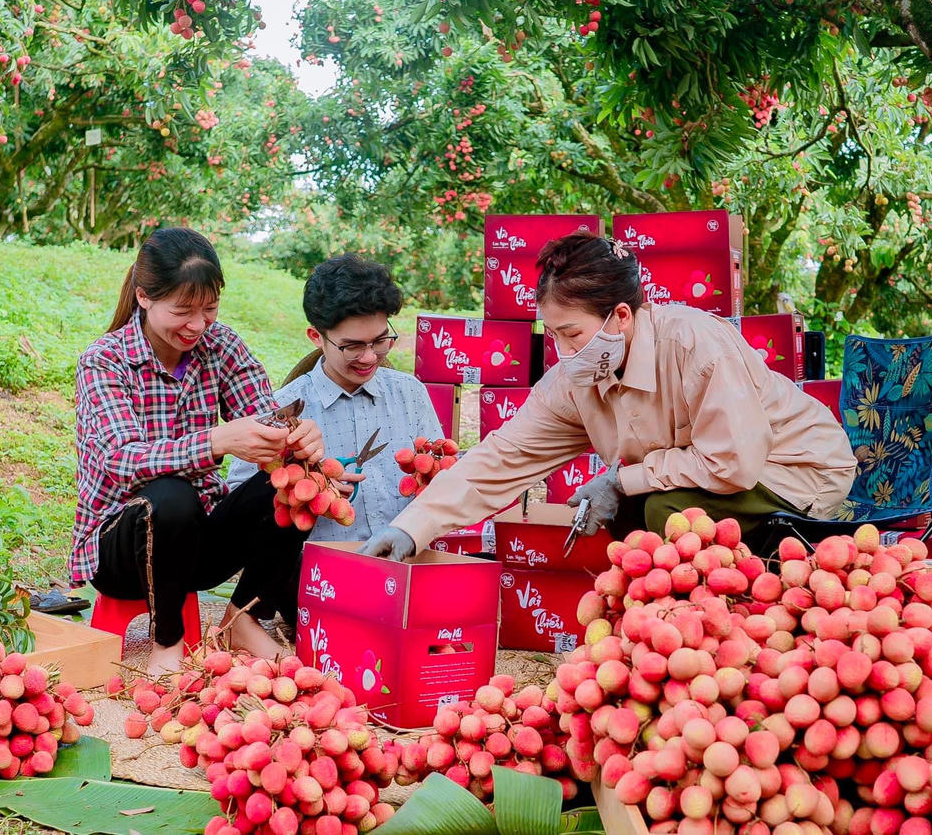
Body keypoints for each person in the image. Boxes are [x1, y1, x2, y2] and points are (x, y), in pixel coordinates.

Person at [361, 231, 857, 560]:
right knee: (636, 514)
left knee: (667, 514)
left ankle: (705, 631)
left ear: (621, 316)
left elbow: (734, 463)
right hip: (713, 478)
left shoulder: (693, 342)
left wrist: (624, 479)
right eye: (552, 335)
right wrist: (412, 527)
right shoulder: (574, 380)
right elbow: (501, 458)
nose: (561, 351)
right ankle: (657, 633)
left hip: (792, 470)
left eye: (572, 334)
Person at [72, 227, 324, 675]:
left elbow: (267, 417)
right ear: (145, 297)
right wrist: (217, 441)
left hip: (195, 548)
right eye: (183, 311)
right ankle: (167, 640)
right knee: (170, 494)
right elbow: (122, 461)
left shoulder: (219, 345)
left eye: (208, 310)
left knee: (300, 485)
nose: (197, 325)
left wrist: (297, 441)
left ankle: (242, 618)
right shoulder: (105, 360)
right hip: (121, 552)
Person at [228, 254, 444, 614]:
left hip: (405, 577)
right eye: (352, 346)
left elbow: (437, 480)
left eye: (380, 340)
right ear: (317, 337)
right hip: (318, 585)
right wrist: (307, 490)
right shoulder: (283, 411)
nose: (370, 357)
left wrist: (434, 476)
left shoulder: (410, 394)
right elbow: (242, 507)